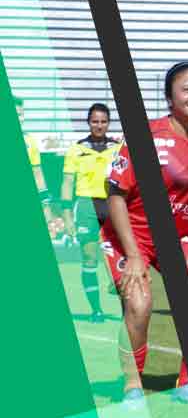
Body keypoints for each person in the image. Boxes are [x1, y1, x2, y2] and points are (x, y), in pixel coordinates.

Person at [102, 62, 188, 406]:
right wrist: (135, 255)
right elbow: (115, 195)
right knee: (140, 303)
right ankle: (132, 385)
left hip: (180, 238)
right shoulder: (146, 135)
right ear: (170, 97)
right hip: (131, 235)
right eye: (187, 89)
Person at [61, 103, 120, 323]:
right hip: (86, 206)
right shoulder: (76, 149)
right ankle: (96, 310)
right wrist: (67, 215)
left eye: (103, 121)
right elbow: (67, 183)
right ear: (88, 122)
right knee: (89, 257)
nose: (99, 125)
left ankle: (122, 294)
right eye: (95, 121)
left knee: (117, 254)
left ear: (108, 123)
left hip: (112, 204)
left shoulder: (117, 147)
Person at [17, 97, 56, 229]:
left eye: (21, 115)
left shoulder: (30, 141)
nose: (20, 119)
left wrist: (46, 205)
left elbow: (37, 172)